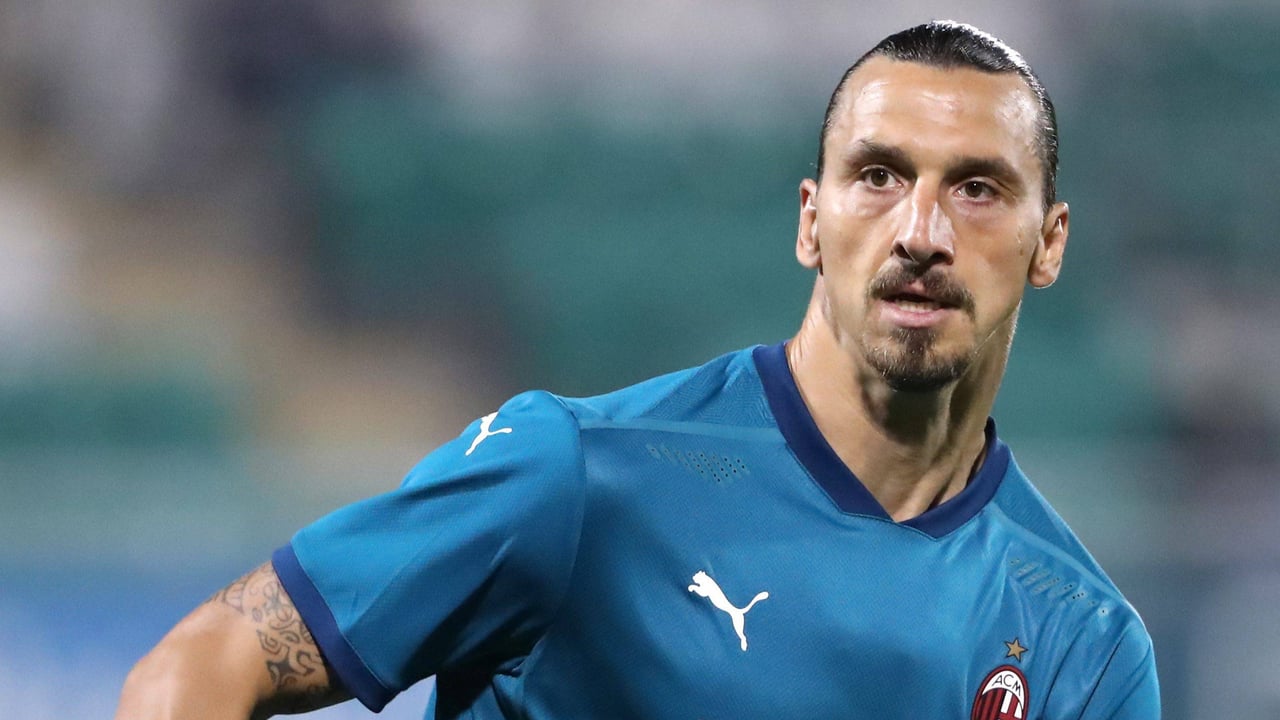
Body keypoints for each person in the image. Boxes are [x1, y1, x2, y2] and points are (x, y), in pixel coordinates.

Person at [116, 20, 1160, 719]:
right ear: (811, 220)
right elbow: (201, 667)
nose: (920, 232)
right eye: (878, 176)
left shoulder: (1082, 645)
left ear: (1049, 241)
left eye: (977, 189)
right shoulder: (576, 476)